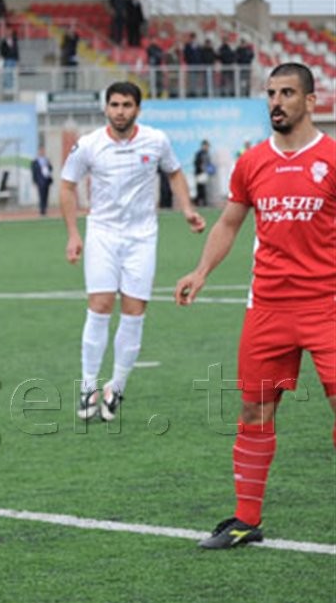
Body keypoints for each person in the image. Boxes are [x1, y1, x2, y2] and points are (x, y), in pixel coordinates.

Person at [175, 63, 335, 550]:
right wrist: (201, 271)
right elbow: (229, 223)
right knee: (254, 408)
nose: (276, 102)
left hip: (327, 305)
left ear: (311, 101)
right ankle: (246, 520)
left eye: (287, 93)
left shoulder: (331, 157)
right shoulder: (252, 162)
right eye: (271, 93)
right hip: (266, 307)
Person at [61, 81, 205, 422]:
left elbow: (175, 173)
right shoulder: (89, 144)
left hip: (142, 237)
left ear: (137, 109)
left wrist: (187, 209)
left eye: (126, 105)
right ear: (105, 108)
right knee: (99, 305)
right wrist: (73, 234)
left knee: (134, 311)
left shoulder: (156, 140)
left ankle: (117, 387)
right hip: (102, 233)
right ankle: (88, 386)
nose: (120, 111)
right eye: (114, 105)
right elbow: (67, 186)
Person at [30, 145, 54, 216]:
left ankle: (45, 209)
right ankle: (41, 210)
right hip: (40, 181)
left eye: (43, 150)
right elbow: (34, 171)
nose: (42, 152)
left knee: (46, 195)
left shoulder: (46, 160)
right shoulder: (35, 161)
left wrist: (49, 165)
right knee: (41, 195)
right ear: (38, 151)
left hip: (46, 180)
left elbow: (50, 169)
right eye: (41, 150)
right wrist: (34, 180)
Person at [193, 139, 214, 206]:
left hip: (205, 173)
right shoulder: (199, 154)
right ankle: (198, 202)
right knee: (200, 188)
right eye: (206, 146)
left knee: (204, 188)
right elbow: (196, 163)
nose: (207, 147)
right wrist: (200, 167)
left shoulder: (207, 154)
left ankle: (203, 202)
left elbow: (209, 163)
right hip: (199, 173)